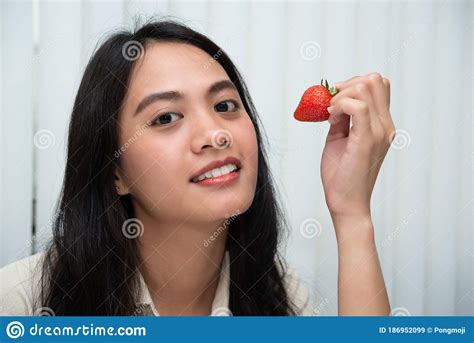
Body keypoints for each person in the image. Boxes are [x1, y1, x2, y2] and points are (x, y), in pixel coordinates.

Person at [0, 19, 393, 316]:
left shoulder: (280, 295)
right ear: (113, 172)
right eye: (167, 117)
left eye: (225, 106)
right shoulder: (21, 301)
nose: (215, 134)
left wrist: (352, 215)